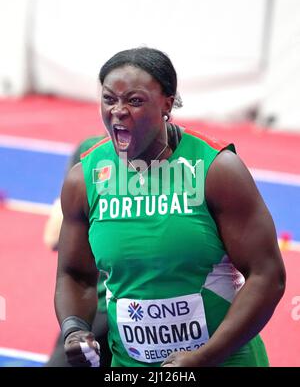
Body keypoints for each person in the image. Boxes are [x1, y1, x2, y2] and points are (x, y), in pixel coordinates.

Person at [54, 47, 286, 367]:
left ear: (167, 102)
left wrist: (206, 356)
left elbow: (267, 274)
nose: (118, 111)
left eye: (135, 100)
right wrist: (74, 329)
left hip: (224, 361)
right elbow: (75, 274)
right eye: (109, 99)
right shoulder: (85, 179)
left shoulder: (217, 170)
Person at [43, 136, 112, 367]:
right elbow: (53, 237)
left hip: (106, 307)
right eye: (110, 99)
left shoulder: (89, 152)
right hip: (97, 308)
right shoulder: (89, 153)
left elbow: (52, 237)